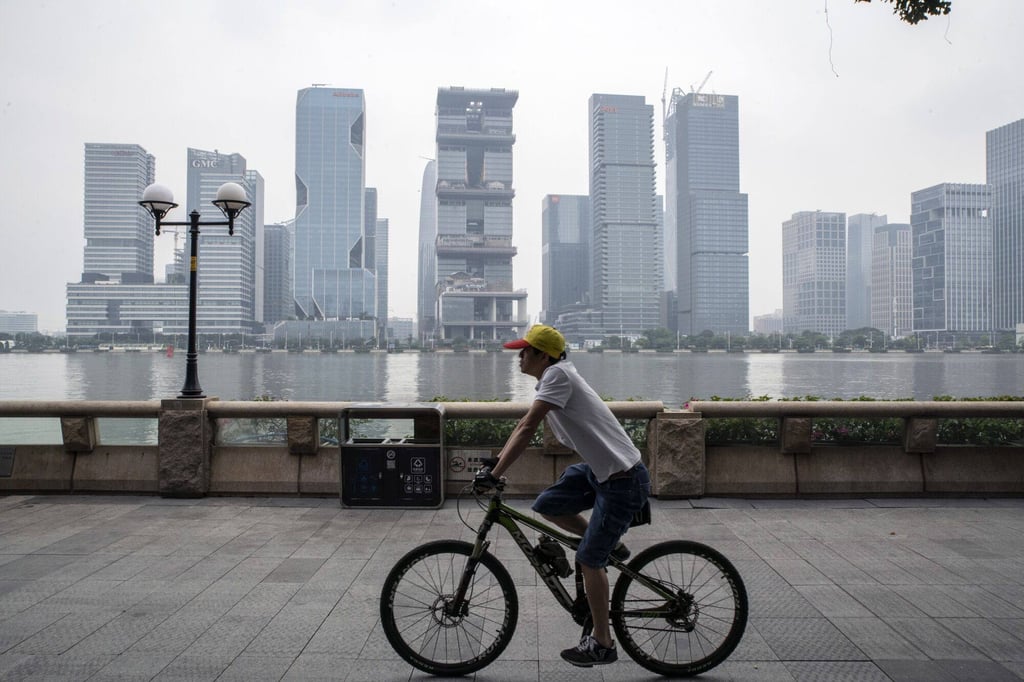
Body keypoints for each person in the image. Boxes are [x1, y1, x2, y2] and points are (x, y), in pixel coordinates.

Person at [474, 324, 651, 667]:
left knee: (588, 560)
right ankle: (607, 544)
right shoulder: (554, 376)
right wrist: (496, 463)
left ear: (544, 355)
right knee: (548, 504)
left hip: (622, 480)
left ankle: (602, 642)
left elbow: (527, 428)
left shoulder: (558, 376)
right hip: (603, 472)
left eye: (525, 351)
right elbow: (523, 424)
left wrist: (495, 476)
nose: (519, 356)